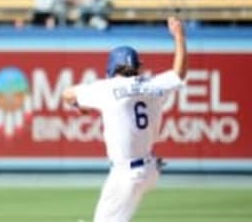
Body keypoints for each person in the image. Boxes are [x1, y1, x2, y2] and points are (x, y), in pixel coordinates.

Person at [61, 16, 187, 222]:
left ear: (112, 68)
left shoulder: (106, 89)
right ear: (137, 67)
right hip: (149, 169)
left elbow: (67, 94)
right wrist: (180, 37)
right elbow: (179, 73)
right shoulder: (153, 85)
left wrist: (79, 107)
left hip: (127, 173)